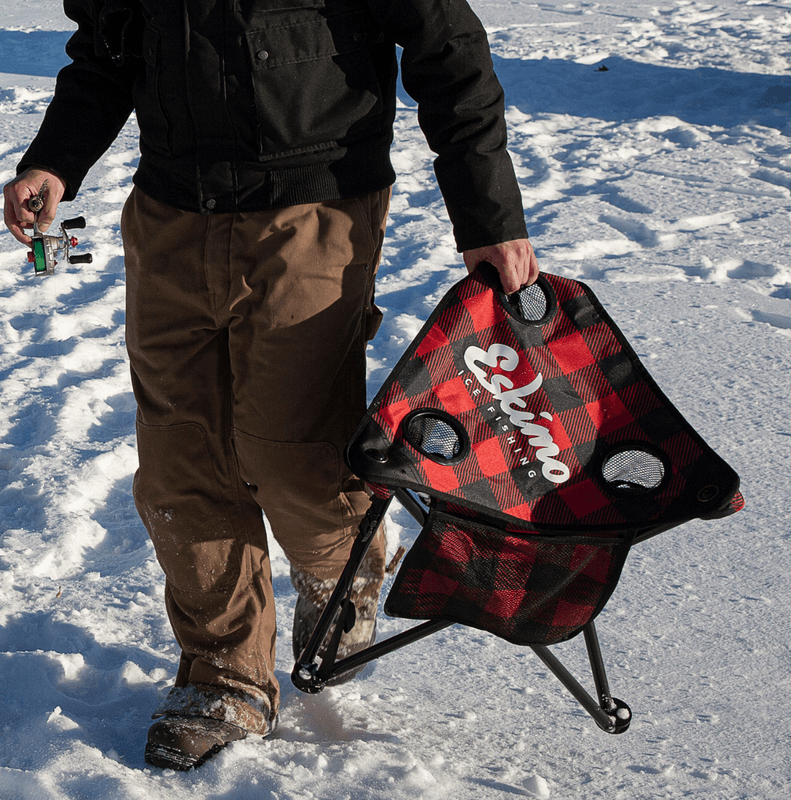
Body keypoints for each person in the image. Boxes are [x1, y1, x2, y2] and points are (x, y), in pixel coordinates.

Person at [3, 0, 538, 771]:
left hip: (315, 210)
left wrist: (488, 215)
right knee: (179, 462)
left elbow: (447, 48)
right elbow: (107, 52)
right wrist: (54, 159)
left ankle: (337, 566)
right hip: (170, 213)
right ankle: (225, 676)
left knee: (289, 450)